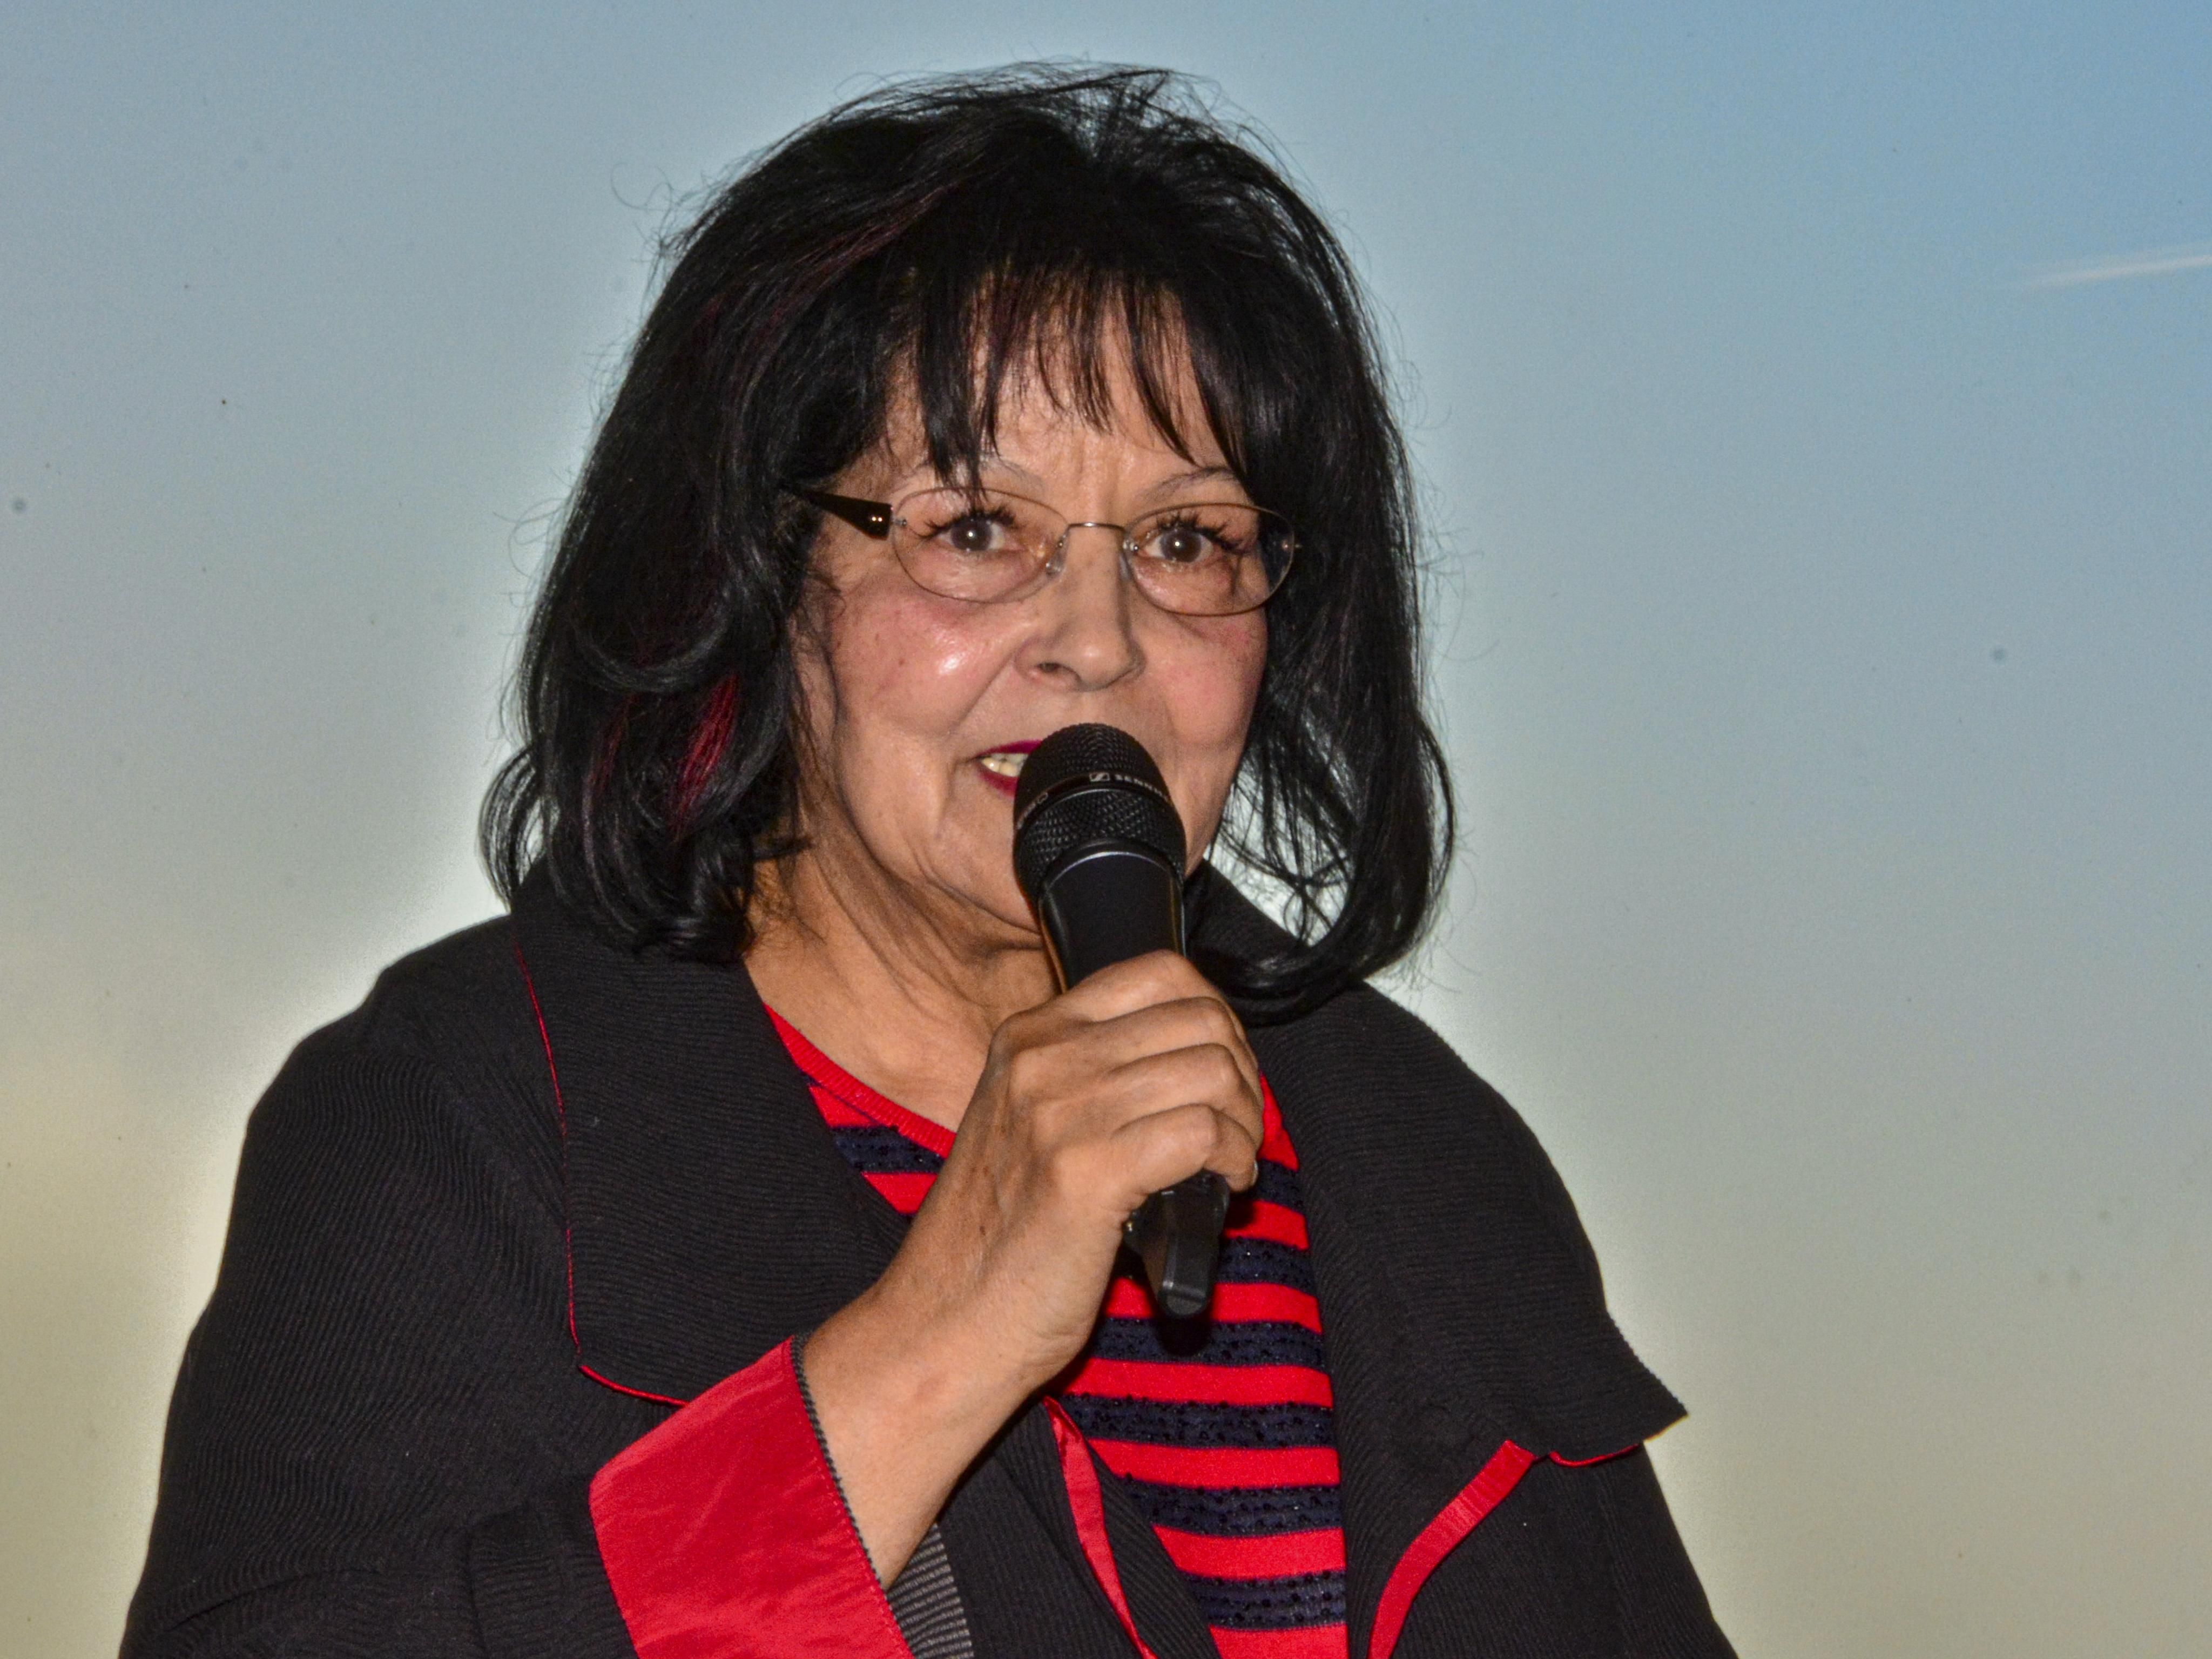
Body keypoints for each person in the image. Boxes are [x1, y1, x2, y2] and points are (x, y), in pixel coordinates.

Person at [125, 67, 1732, 1659]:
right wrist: (930, 1348)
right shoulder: (464, 1118)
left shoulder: (1423, 1156)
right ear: (760, 576)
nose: (1097, 643)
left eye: (1187, 542)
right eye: (974, 529)